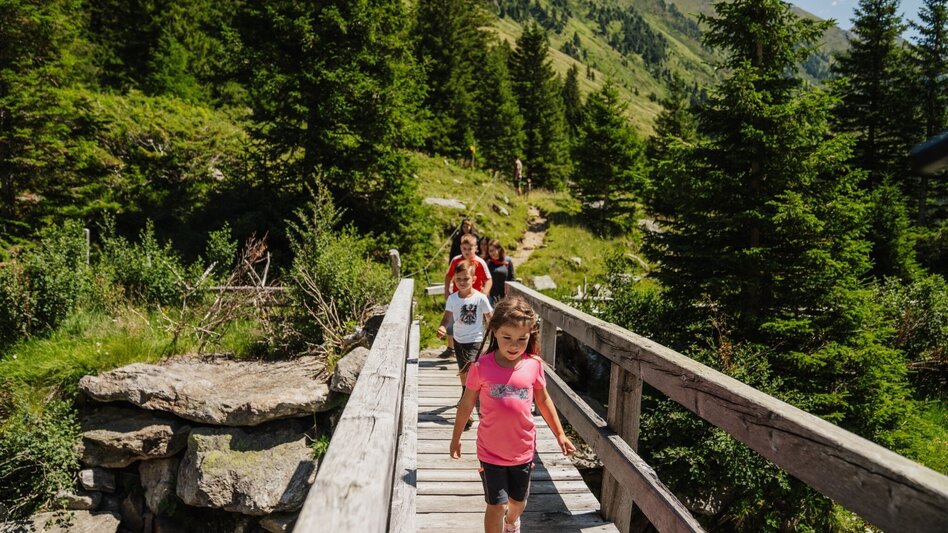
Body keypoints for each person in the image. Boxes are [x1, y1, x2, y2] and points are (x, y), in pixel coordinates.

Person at [450, 297, 576, 533]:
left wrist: (560, 434)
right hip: (490, 451)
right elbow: (466, 404)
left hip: (522, 450)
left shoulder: (534, 365)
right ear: (494, 331)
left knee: (518, 503)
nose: (514, 345)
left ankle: (512, 522)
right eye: (507, 337)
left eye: (521, 338)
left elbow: (543, 399)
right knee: (495, 505)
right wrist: (456, 437)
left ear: (530, 335)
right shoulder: (481, 367)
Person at [437, 259, 493, 430]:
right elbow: (447, 318)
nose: (462, 282)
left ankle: (465, 405)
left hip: (475, 340)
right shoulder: (453, 299)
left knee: (469, 371)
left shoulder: (480, 298)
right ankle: (466, 398)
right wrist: (442, 327)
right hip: (459, 341)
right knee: (464, 374)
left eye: (466, 279)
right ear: (454, 279)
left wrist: (497, 335)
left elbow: (490, 318)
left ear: (474, 279)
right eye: (459, 279)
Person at [443, 234, 492, 357]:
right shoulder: (455, 260)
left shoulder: (479, 262)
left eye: (470, 249)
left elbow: (488, 279)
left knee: (473, 322)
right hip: (457, 296)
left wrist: (484, 294)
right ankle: (451, 347)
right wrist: (446, 290)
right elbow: (448, 276)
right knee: (453, 321)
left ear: (476, 248)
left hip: (475, 298)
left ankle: (477, 348)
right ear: (460, 248)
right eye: (464, 249)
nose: (467, 252)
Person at [486, 240, 515, 305]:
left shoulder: (507, 261)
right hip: (491, 297)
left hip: (505, 297)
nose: (491, 253)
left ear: (499, 249)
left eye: (492, 250)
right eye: (489, 251)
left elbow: (512, 278)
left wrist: (509, 295)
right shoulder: (488, 262)